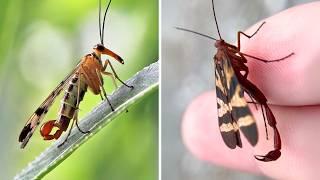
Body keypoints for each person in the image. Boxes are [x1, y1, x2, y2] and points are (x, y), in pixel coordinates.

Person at [182, 2, 320, 179]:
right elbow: (244, 63)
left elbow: (243, 66)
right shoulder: (222, 56)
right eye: (221, 44)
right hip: (239, 85)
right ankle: (271, 140)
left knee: (262, 103)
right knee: (262, 103)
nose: (222, 44)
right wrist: (269, 62)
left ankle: (270, 140)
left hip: (238, 85)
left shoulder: (220, 57)